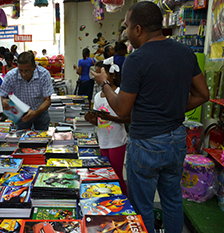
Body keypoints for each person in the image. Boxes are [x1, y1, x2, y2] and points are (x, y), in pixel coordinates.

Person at [91, 2, 209, 233]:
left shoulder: (137, 59)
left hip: (146, 141)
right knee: (173, 200)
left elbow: (122, 110)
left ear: (138, 29)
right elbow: (203, 94)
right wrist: (171, 108)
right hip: (176, 138)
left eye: (126, 27)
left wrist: (104, 84)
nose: (125, 34)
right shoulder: (185, 51)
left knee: (141, 205)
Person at [85, 58, 129, 195]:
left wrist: (109, 117)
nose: (98, 79)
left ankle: (124, 201)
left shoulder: (120, 93)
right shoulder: (98, 96)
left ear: (112, 75)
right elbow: (100, 122)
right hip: (103, 141)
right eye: (96, 75)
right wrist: (91, 120)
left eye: (101, 74)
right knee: (105, 175)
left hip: (117, 142)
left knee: (116, 175)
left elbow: (127, 119)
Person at [0, 52, 54, 130]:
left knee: (42, 138)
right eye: (20, 71)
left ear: (34, 67)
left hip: (40, 111)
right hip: (21, 114)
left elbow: (47, 100)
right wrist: (3, 101)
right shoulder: (11, 75)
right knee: (21, 138)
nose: (23, 74)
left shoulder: (43, 74)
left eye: (27, 71)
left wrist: (35, 113)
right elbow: (0, 96)